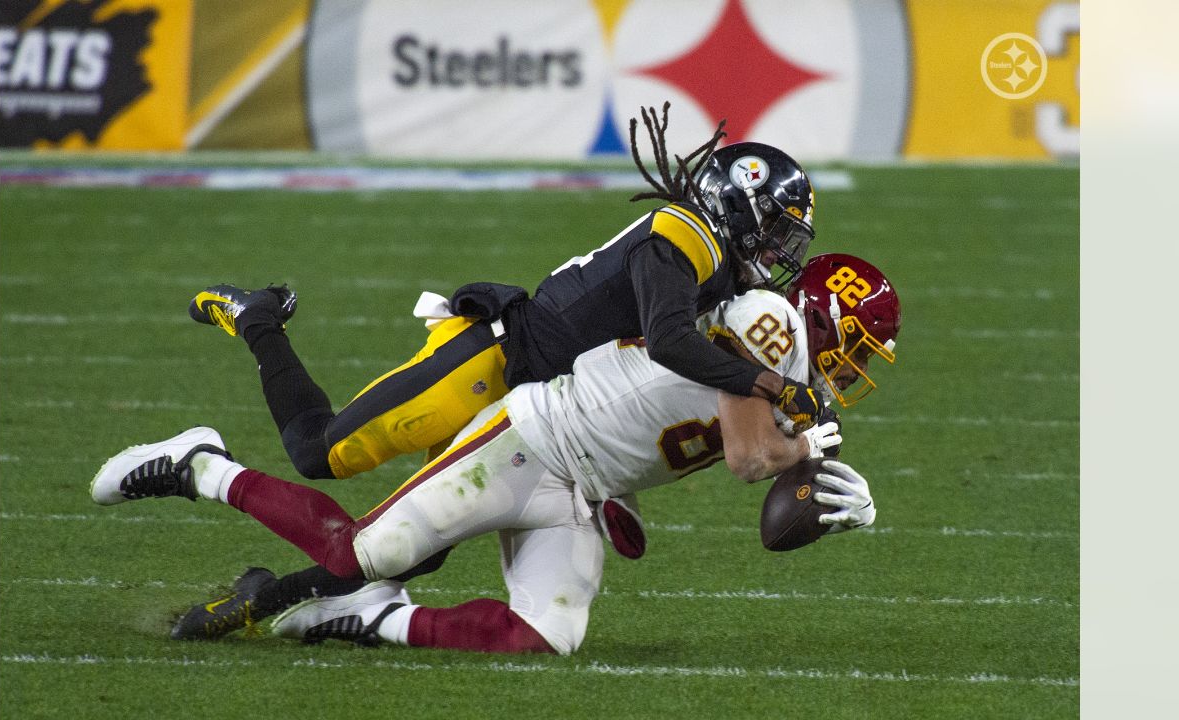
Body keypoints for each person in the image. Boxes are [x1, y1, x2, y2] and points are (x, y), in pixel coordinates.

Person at [92, 253, 901, 654]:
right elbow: (750, 457)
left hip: (585, 488)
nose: (854, 369)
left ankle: (378, 622)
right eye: (859, 347)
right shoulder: (773, 323)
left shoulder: (790, 368)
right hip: (533, 438)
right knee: (369, 546)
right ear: (824, 317)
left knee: (548, 635)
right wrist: (818, 460)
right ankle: (202, 465)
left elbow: (772, 494)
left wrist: (826, 491)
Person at [186, 103, 820, 484]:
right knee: (319, 454)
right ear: (739, 204)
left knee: (425, 544)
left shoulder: (716, 271)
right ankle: (258, 320)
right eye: (777, 234)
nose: (777, 255)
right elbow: (669, 342)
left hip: (537, 405)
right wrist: (768, 382)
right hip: (493, 360)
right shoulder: (682, 234)